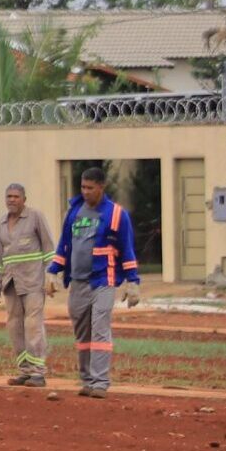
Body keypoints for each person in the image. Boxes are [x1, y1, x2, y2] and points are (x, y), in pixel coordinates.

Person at [50, 166, 141, 399]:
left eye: (90, 188)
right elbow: (64, 245)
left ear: (102, 187)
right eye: (83, 187)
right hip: (78, 282)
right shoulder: (74, 212)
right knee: (82, 334)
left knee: (100, 330)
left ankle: (101, 382)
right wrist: (53, 272)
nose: (86, 192)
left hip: (104, 280)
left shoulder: (117, 214)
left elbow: (127, 249)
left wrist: (133, 282)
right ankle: (87, 379)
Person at [0, 182, 55, 387]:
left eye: (16, 196)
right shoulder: (1, 223)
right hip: (11, 284)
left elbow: (48, 248)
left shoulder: (35, 217)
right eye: (9, 196)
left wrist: (51, 276)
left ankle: (38, 372)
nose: (12, 200)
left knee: (33, 325)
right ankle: (25, 371)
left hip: (33, 281)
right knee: (14, 326)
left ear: (24, 199)